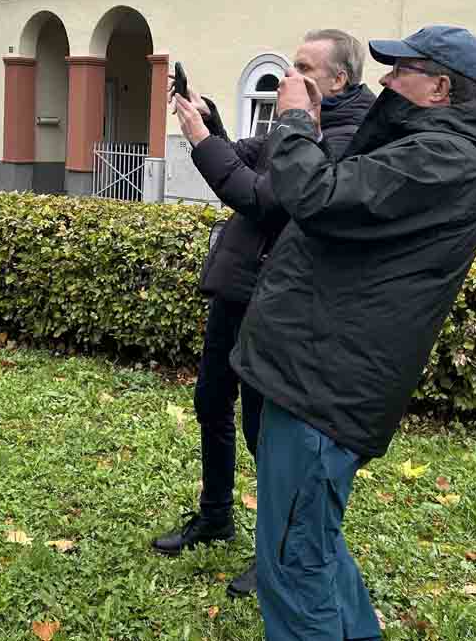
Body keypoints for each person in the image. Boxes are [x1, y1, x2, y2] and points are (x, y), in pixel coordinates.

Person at [175, 25, 476, 640]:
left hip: (324, 387)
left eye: (400, 71)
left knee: (292, 561)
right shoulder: (429, 146)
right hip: (318, 376)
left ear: (439, 87)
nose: (385, 81)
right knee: (313, 541)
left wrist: (294, 123)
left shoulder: (442, 159)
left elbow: (310, 194)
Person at [153, 30, 376, 600]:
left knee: (263, 432)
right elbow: (251, 157)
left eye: (304, 65)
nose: (289, 74)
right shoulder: (298, 119)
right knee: (210, 401)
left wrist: (201, 138)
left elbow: (259, 196)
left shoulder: (346, 135)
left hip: (274, 300)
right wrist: (212, 124)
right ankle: (215, 514)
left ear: (339, 79)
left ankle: (271, 549)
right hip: (239, 284)